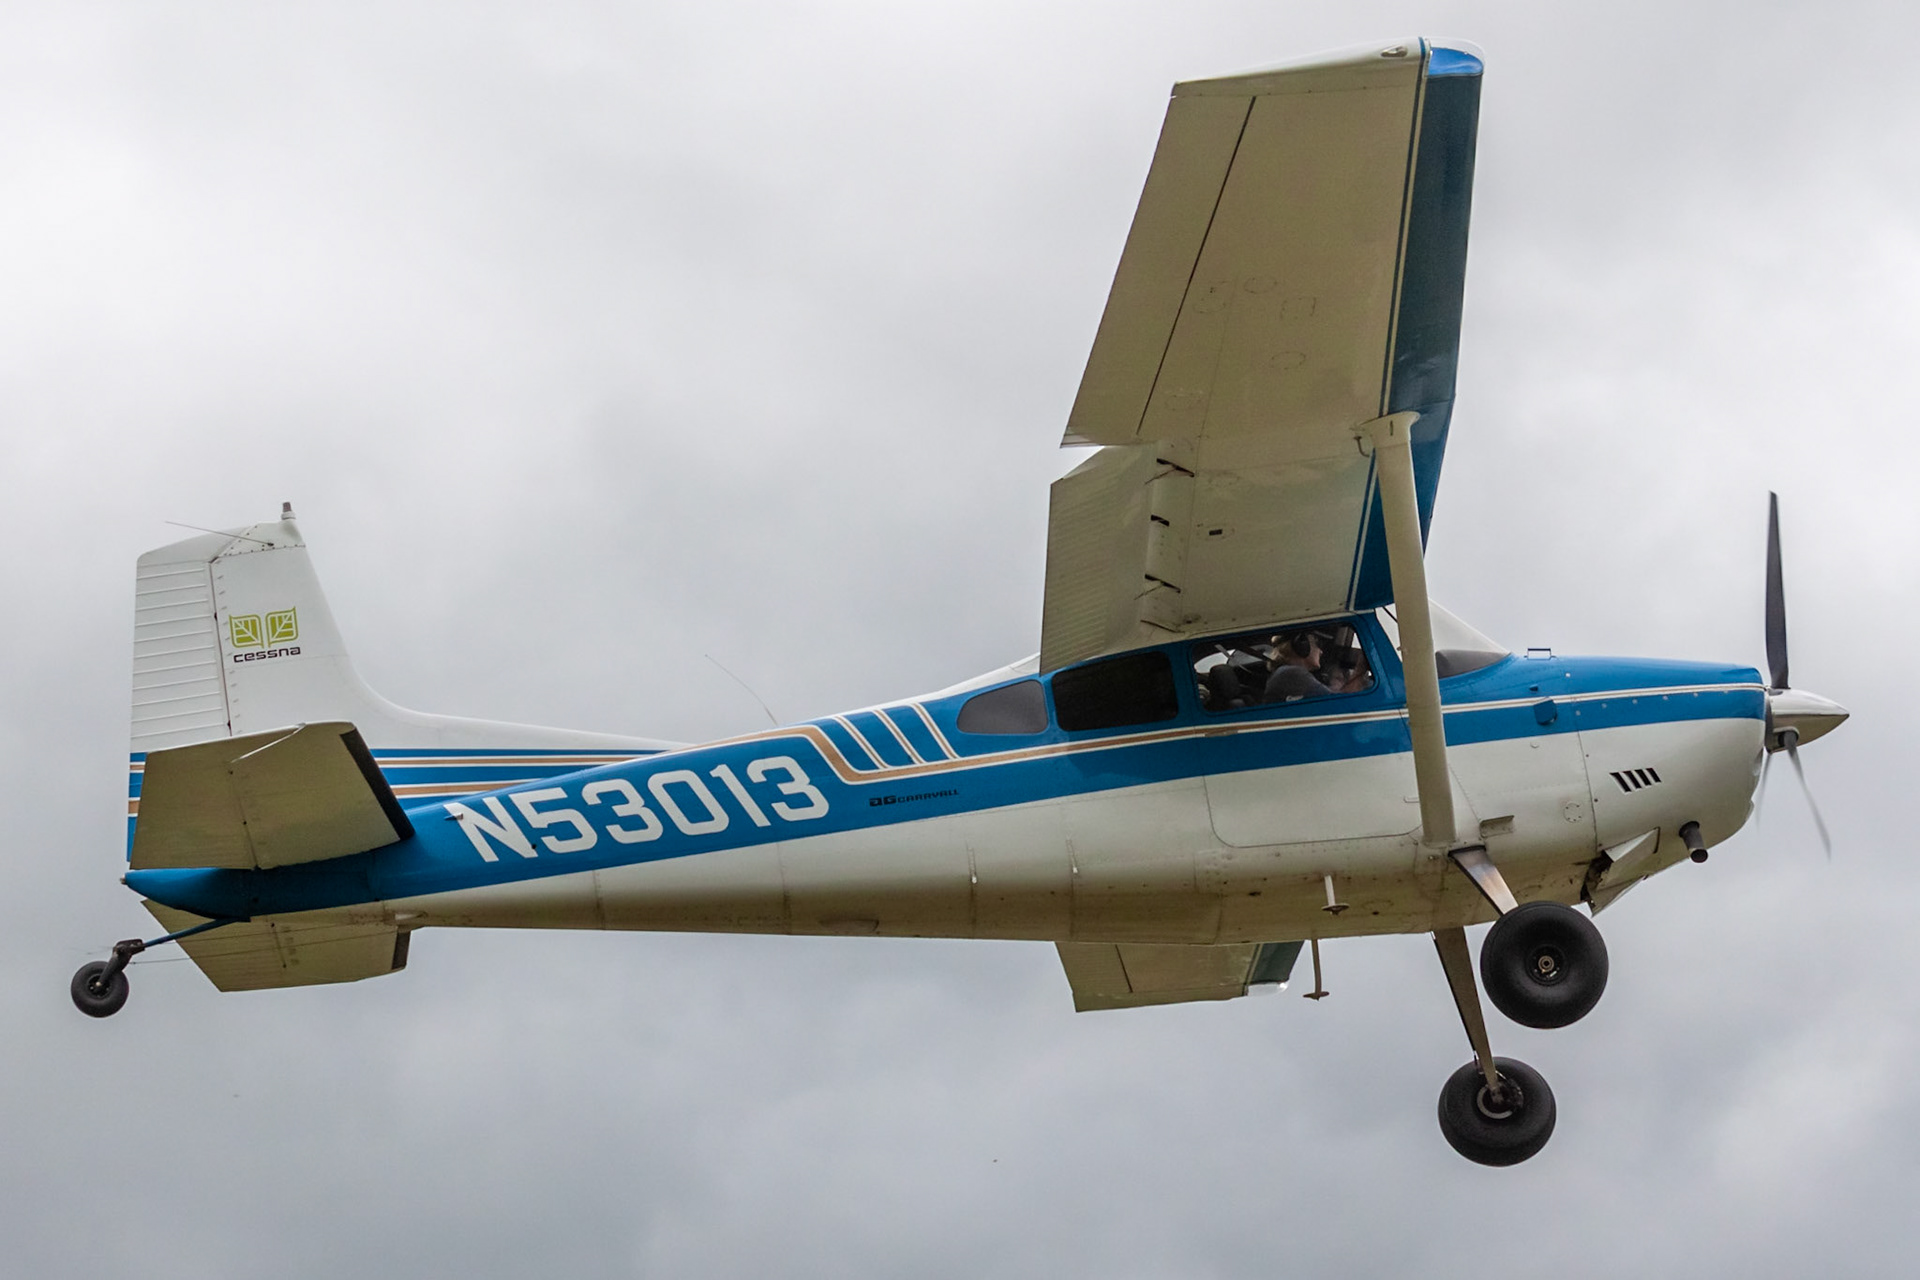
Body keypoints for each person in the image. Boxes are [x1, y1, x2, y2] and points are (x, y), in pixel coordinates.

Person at [1262, 631, 1332, 702]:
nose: (1321, 651)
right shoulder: (1290, 673)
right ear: (1302, 645)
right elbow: (1334, 701)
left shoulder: (1285, 673)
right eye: (1318, 644)